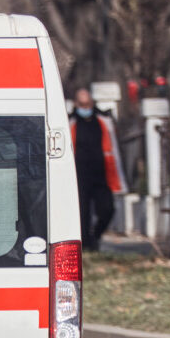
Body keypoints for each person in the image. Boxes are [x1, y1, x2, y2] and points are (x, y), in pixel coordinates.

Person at [70, 88, 126, 250]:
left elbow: (113, 147)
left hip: (101, 174)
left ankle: (96, 235)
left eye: (87, 104)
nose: (85, 108)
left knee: (108, 209)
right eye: (82, 104)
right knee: (82, 213)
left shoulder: (103, 120)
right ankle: (87, 245)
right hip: (78, 175)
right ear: (76, 104)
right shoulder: (70, 121)